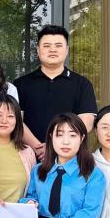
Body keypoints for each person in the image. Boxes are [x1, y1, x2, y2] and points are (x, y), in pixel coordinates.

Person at [13, 25, 98, 160]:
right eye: (47, 46)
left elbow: (86, 122)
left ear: (66, 50)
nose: (52, 49)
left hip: (70, 158)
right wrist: (38, 148)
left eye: (58, 45)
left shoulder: (82, 84)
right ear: (38, 50)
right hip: (30, 157)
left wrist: (55, 147)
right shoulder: (20, 84)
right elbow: (16, 121)